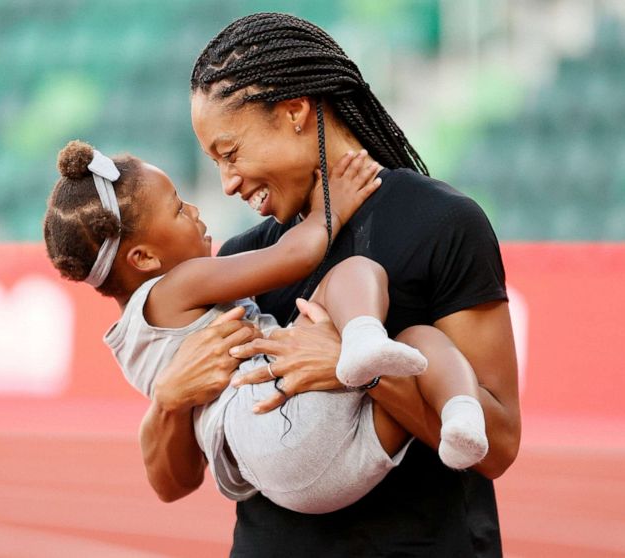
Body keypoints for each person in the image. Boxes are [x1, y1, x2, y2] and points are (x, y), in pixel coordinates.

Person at [139, 12, 521, 557]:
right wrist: (170, 400)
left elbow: (498, 445)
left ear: (295, 112)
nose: (226, 183)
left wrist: (359, 371)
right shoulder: (242, 260)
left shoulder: (443, 222)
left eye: (231, 153)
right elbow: (173, 483)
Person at [43, 139, 489, 514]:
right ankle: (371, 345)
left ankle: (459, 425)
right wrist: (332, 208)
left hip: (291, 484)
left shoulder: (128, 341)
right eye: (179, 208)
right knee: (360, 277)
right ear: (144, 259)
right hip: (272, 415)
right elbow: (293, 257)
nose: (196, 210)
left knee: (414, 350)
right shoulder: (179, 285)